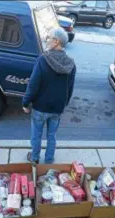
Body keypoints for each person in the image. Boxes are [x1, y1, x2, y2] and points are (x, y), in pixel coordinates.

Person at [22, 27, 76, 164]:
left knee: (36, 135)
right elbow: (70, 88)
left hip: (40, 107)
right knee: (52, 136)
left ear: (56, 41)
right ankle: (49, 160)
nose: (47, 40)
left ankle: (34, 158)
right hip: (57, 108)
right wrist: (64, 104)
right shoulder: (71, 64)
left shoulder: (43, 60)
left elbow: (33, 85)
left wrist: (25, 102)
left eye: (49, 38)